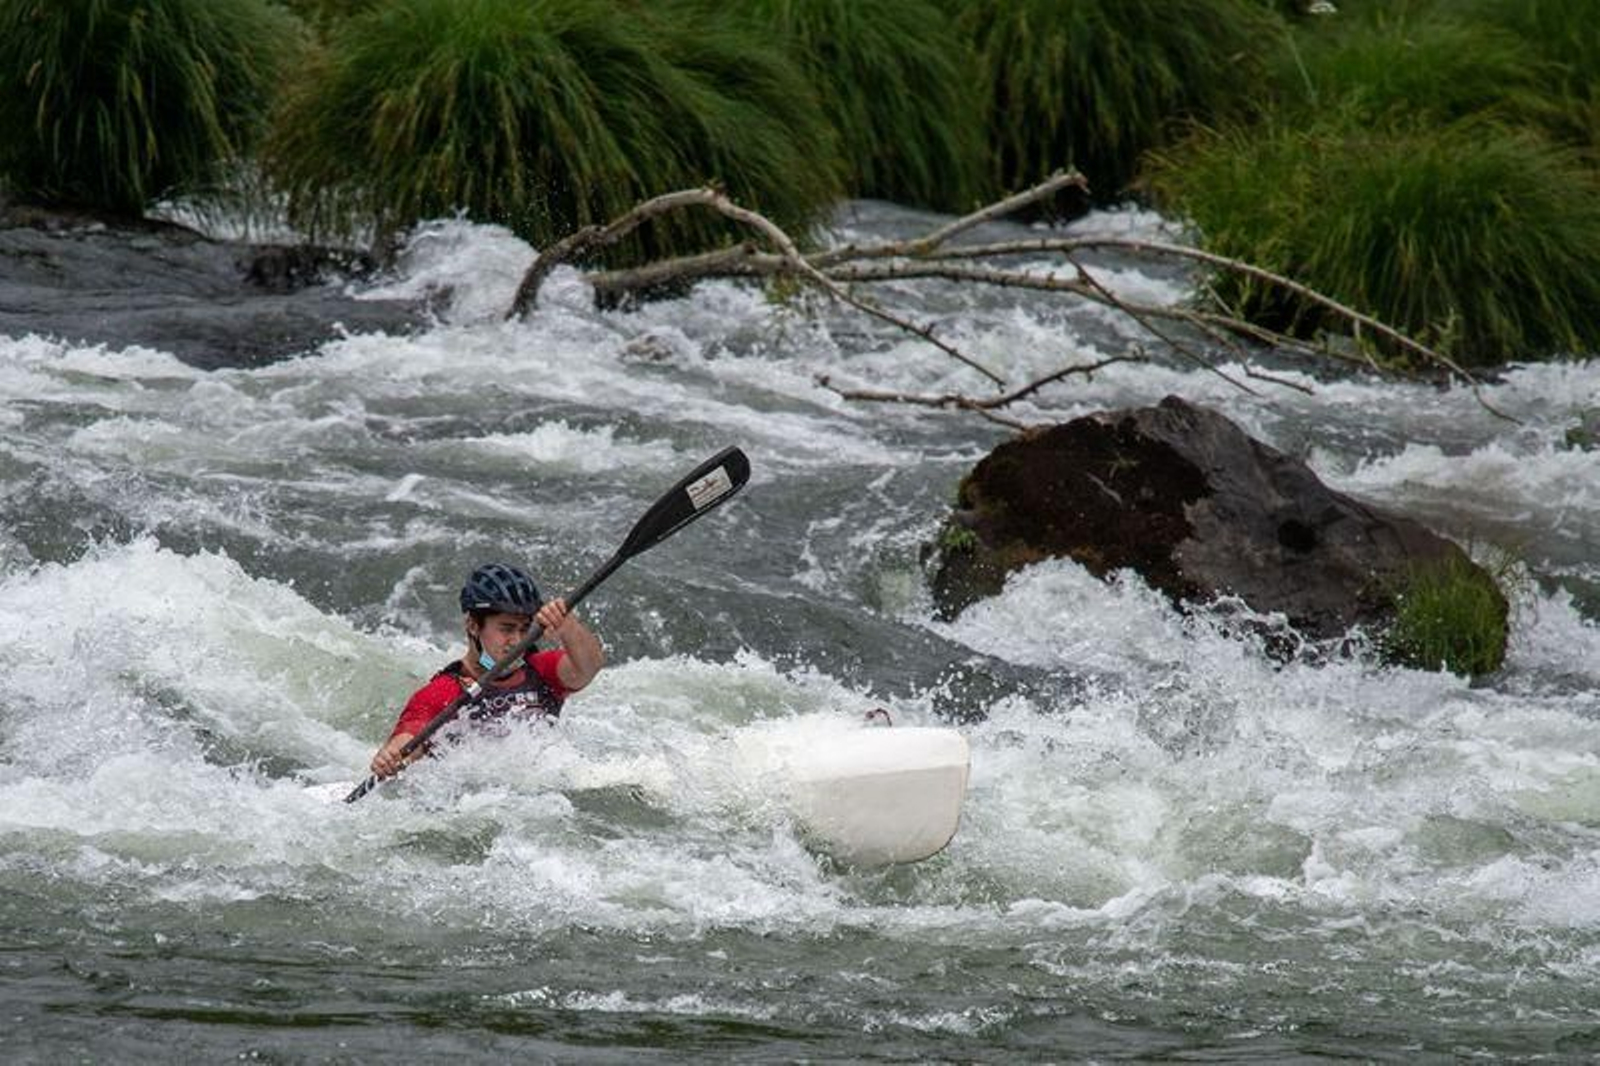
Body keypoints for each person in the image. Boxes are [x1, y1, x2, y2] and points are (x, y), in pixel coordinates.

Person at [368, 562, 604, 779]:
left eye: (524, 629)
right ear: (472, 625)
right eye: (507, 629)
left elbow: (588, 668)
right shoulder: (443, 692)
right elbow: (409, 738)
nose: (517, 640)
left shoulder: (542, 671)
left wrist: (568, 627)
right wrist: (392, 756)